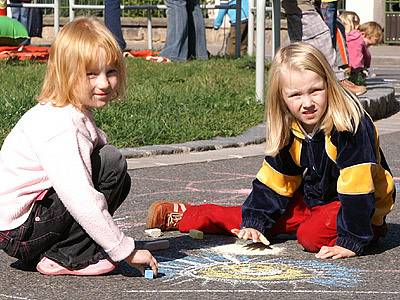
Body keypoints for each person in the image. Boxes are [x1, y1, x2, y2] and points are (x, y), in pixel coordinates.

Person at [147, 42, 395, 259]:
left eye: (315, 91)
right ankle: (185, 215)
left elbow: (358, 189)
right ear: (282, 98)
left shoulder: (349, 122)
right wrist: (256, 222)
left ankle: (365, 232)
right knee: (249, 219)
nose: (307, 103)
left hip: (362, 207)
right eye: (295, 95)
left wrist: (351, 240)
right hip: (315, 199)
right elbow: (275, 183)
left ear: (329, 84)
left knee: (311, 235)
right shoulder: (290, 125)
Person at [0, 17, 158, 276]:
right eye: (91, 74)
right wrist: (124, 250)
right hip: (20, 230)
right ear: (66, 74)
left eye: (111, 71)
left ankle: (56, 251)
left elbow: (92, 143)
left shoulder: (68, 110)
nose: (104, 83)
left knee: (113, 169)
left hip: (22, 226)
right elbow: (81, 198)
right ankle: (68, 256)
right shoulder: (62, 124)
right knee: (111, 164)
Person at [282, 0, 366, 96]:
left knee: (301, 45)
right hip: (301, 6)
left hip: (303, 5)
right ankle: (336, 83)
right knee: (321, 37)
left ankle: (299, 84)